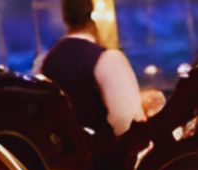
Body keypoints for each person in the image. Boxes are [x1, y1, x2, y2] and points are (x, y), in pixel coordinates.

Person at [37, 0, 145, 138]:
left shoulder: (47, 61)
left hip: (64, 156)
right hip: (106, 155)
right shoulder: (107, 59)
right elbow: (129, 124)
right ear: (96, 18)